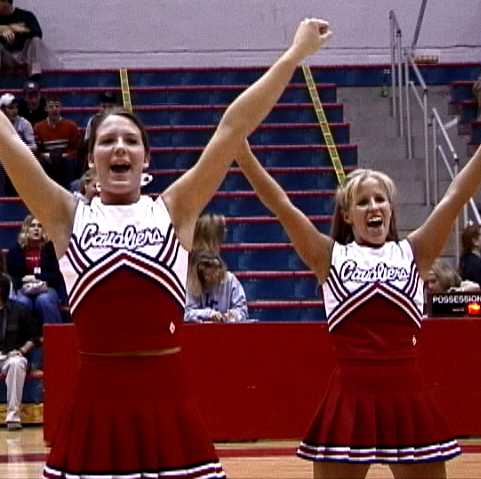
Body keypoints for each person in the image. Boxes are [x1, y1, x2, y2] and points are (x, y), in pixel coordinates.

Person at [0, 18, 332, 478]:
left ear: (146, 158)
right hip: (94, 408)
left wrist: (293, 56)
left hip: (168, 408)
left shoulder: (175, 209)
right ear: (91, 158)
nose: (120, 148)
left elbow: (233, 125)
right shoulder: (66, 215)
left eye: (131, 141)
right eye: (107, 141)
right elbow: (7, 141)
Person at [234, 137, 481, 478]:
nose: (374, 207)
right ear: (347, 215)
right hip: (349, 396)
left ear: (391, 209)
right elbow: (282, 205)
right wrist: (243, 155)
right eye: (363, 202)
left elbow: (456, 196)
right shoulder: (329, 256)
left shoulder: (414, 252)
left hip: (407, 394)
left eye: (380, 199)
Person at [0, 272, 41, 431]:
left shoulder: (20, 310)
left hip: (12, 356)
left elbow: (35, 338)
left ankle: (13, 417)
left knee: (17, 364)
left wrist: (22, 350)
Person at [6, 215, 65, 325]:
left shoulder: (50, 249)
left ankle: (55, 334)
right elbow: (12, 277)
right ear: (26, 230)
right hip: (23, 289)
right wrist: (24, 281)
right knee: (22, 302)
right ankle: (22, 336)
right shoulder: (15, 250)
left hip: (46, 288)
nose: (36, 229)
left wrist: (36, 277)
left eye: (40, 226)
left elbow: (56, 276)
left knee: (44, 300)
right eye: (32, 226)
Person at [185, 250, 248, 323]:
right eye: (209, 275)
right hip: (201, 328)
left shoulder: (230, 280)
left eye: (216, 272)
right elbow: (187, 313)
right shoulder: (194, 282)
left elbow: (243, 310)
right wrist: (208, 314)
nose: (214, 277)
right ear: (201, 275)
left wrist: (233, 315)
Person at [34, 95, 81, 188]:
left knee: (69, 162)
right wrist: (46, 156)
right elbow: (37, 150)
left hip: (65, 161)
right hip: (48, 162)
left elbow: (76, 149)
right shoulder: (38, 127)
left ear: (61, 108)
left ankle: (69, 190)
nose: (54, 109)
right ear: (46, 109)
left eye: (57, 106)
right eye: (51, 106)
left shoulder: (71, 126)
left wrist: (63, 156)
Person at [0, 0, 43, 78]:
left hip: (24, 56)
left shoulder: (26, 15)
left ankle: (34, 72)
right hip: (7, 58)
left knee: (35, 40)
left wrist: (19, 29)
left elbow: (38, 33)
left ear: (6, 2)